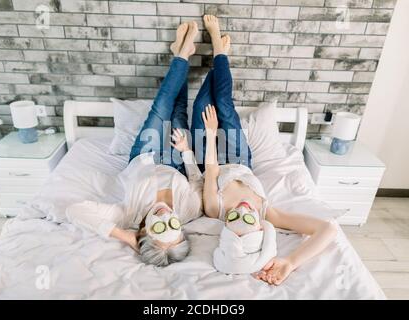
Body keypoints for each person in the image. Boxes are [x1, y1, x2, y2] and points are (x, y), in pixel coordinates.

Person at [190, 15, 338, 285]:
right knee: (223, 103)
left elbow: (211, 169)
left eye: (235, 217)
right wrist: (290, 262)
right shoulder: (268, 213)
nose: (244, 209)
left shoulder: (214, 210)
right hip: (239, 160)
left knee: (203, 103)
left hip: (209, 158)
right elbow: (328, 229)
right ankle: (219, 53)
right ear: (260, 227)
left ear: (226, 227)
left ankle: (216, 63)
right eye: (250, 219)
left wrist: (211, 133)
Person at [66, 21, 203, 267]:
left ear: (145, 233)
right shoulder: (189, 211)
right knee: (179, 110)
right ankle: (178, 53)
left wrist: (123, 235)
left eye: (160, 226)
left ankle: (182, 53)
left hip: (145, 154)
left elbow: (74, 211)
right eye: (173, 225)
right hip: (177, 159)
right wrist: (187, 152)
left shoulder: (127, 215)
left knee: (162, 107)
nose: (166, 215)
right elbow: (197, 181)